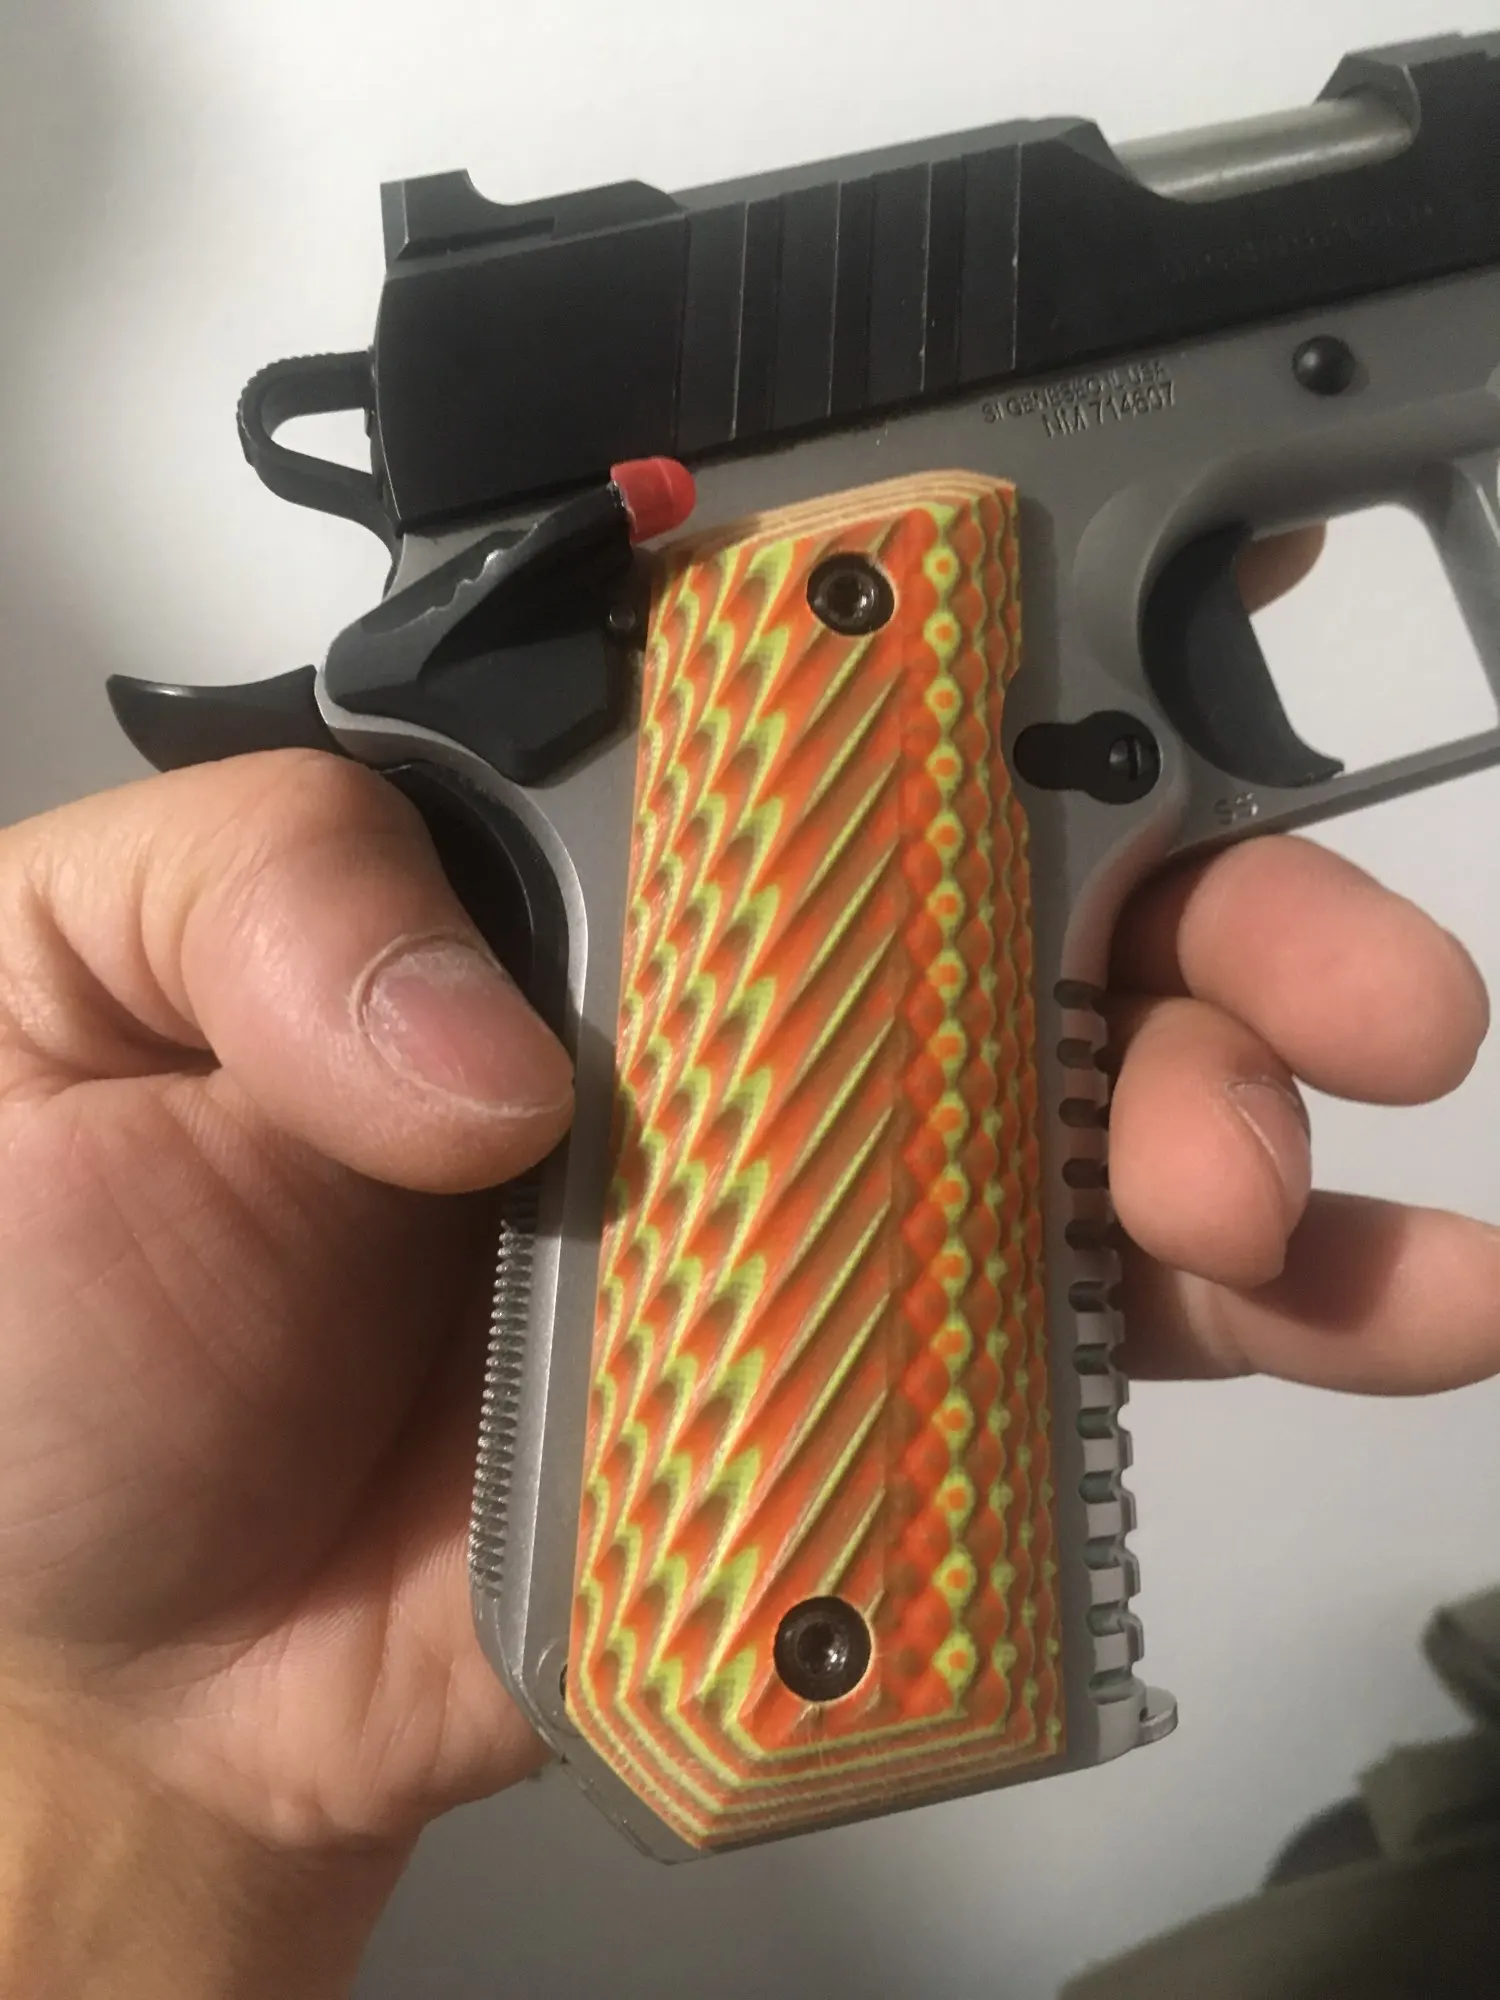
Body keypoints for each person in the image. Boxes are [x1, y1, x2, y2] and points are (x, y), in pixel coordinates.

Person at [0, 538, 1497, 1997]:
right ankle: (827, 1645)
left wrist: (137, 1763)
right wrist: (119, 1745)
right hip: (797, 573)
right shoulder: (811, 565)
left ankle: (824, 1643)